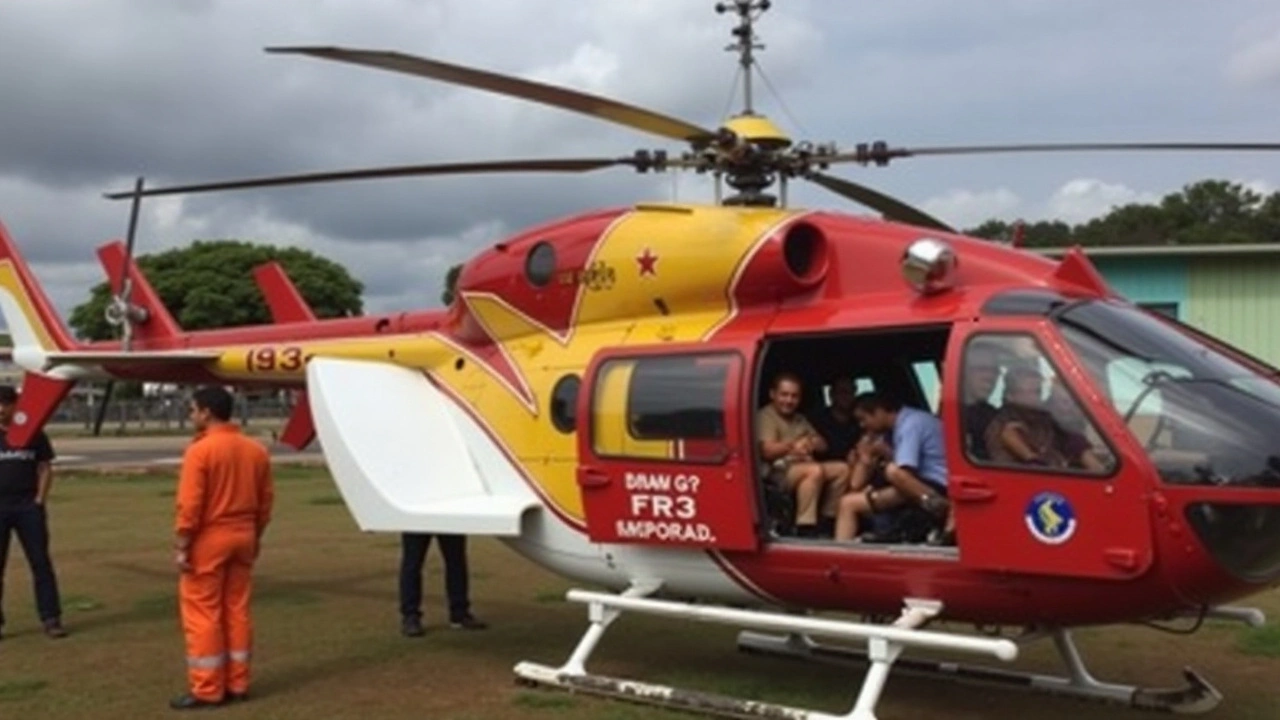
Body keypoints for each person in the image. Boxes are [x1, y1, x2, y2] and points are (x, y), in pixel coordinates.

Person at [170, 386, 274, 710]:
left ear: (206, 412)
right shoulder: (255, 450)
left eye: (193, 410)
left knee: (203, 613)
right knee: (237, 609)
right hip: (244, 534)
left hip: (210, 537)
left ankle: (208, 687)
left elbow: (190, 504)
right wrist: (255, 534)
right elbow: (266, 501)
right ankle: (238, 682)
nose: (191, 415)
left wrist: (182, 543)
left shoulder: (200, 451)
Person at [835, 392, 950, 542]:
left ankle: (940, 507)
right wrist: (865, 458)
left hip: (934, 483)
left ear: (878, 412)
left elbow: (905, 471)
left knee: (854, 501)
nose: (862, 425)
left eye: (863, 419)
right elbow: (856, 484)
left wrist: (885, 452)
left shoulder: (911, 424)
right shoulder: (887, 432)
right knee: (848, 501)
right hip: (917, 483)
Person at [0, 385, 66, 639]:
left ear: (15, 406)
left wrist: (39, 500)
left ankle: (51, 618)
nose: (1, 409)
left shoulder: (33, 433)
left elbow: (45, 467)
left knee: (40, 563)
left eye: (6, 404)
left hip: (28, 507)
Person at [756, 373, 849, 537]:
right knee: (813, 471)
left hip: (800, 465)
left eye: (794, 396)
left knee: (841, 469)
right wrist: (793, 446)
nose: (789, 401)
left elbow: (823, 445)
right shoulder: (766, 416)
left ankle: (827, 521)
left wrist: (812, 443)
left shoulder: (799, 418)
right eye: (784, 395)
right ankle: (805, 527)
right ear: (773, 394)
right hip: (775, 473)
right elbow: (766, 451)